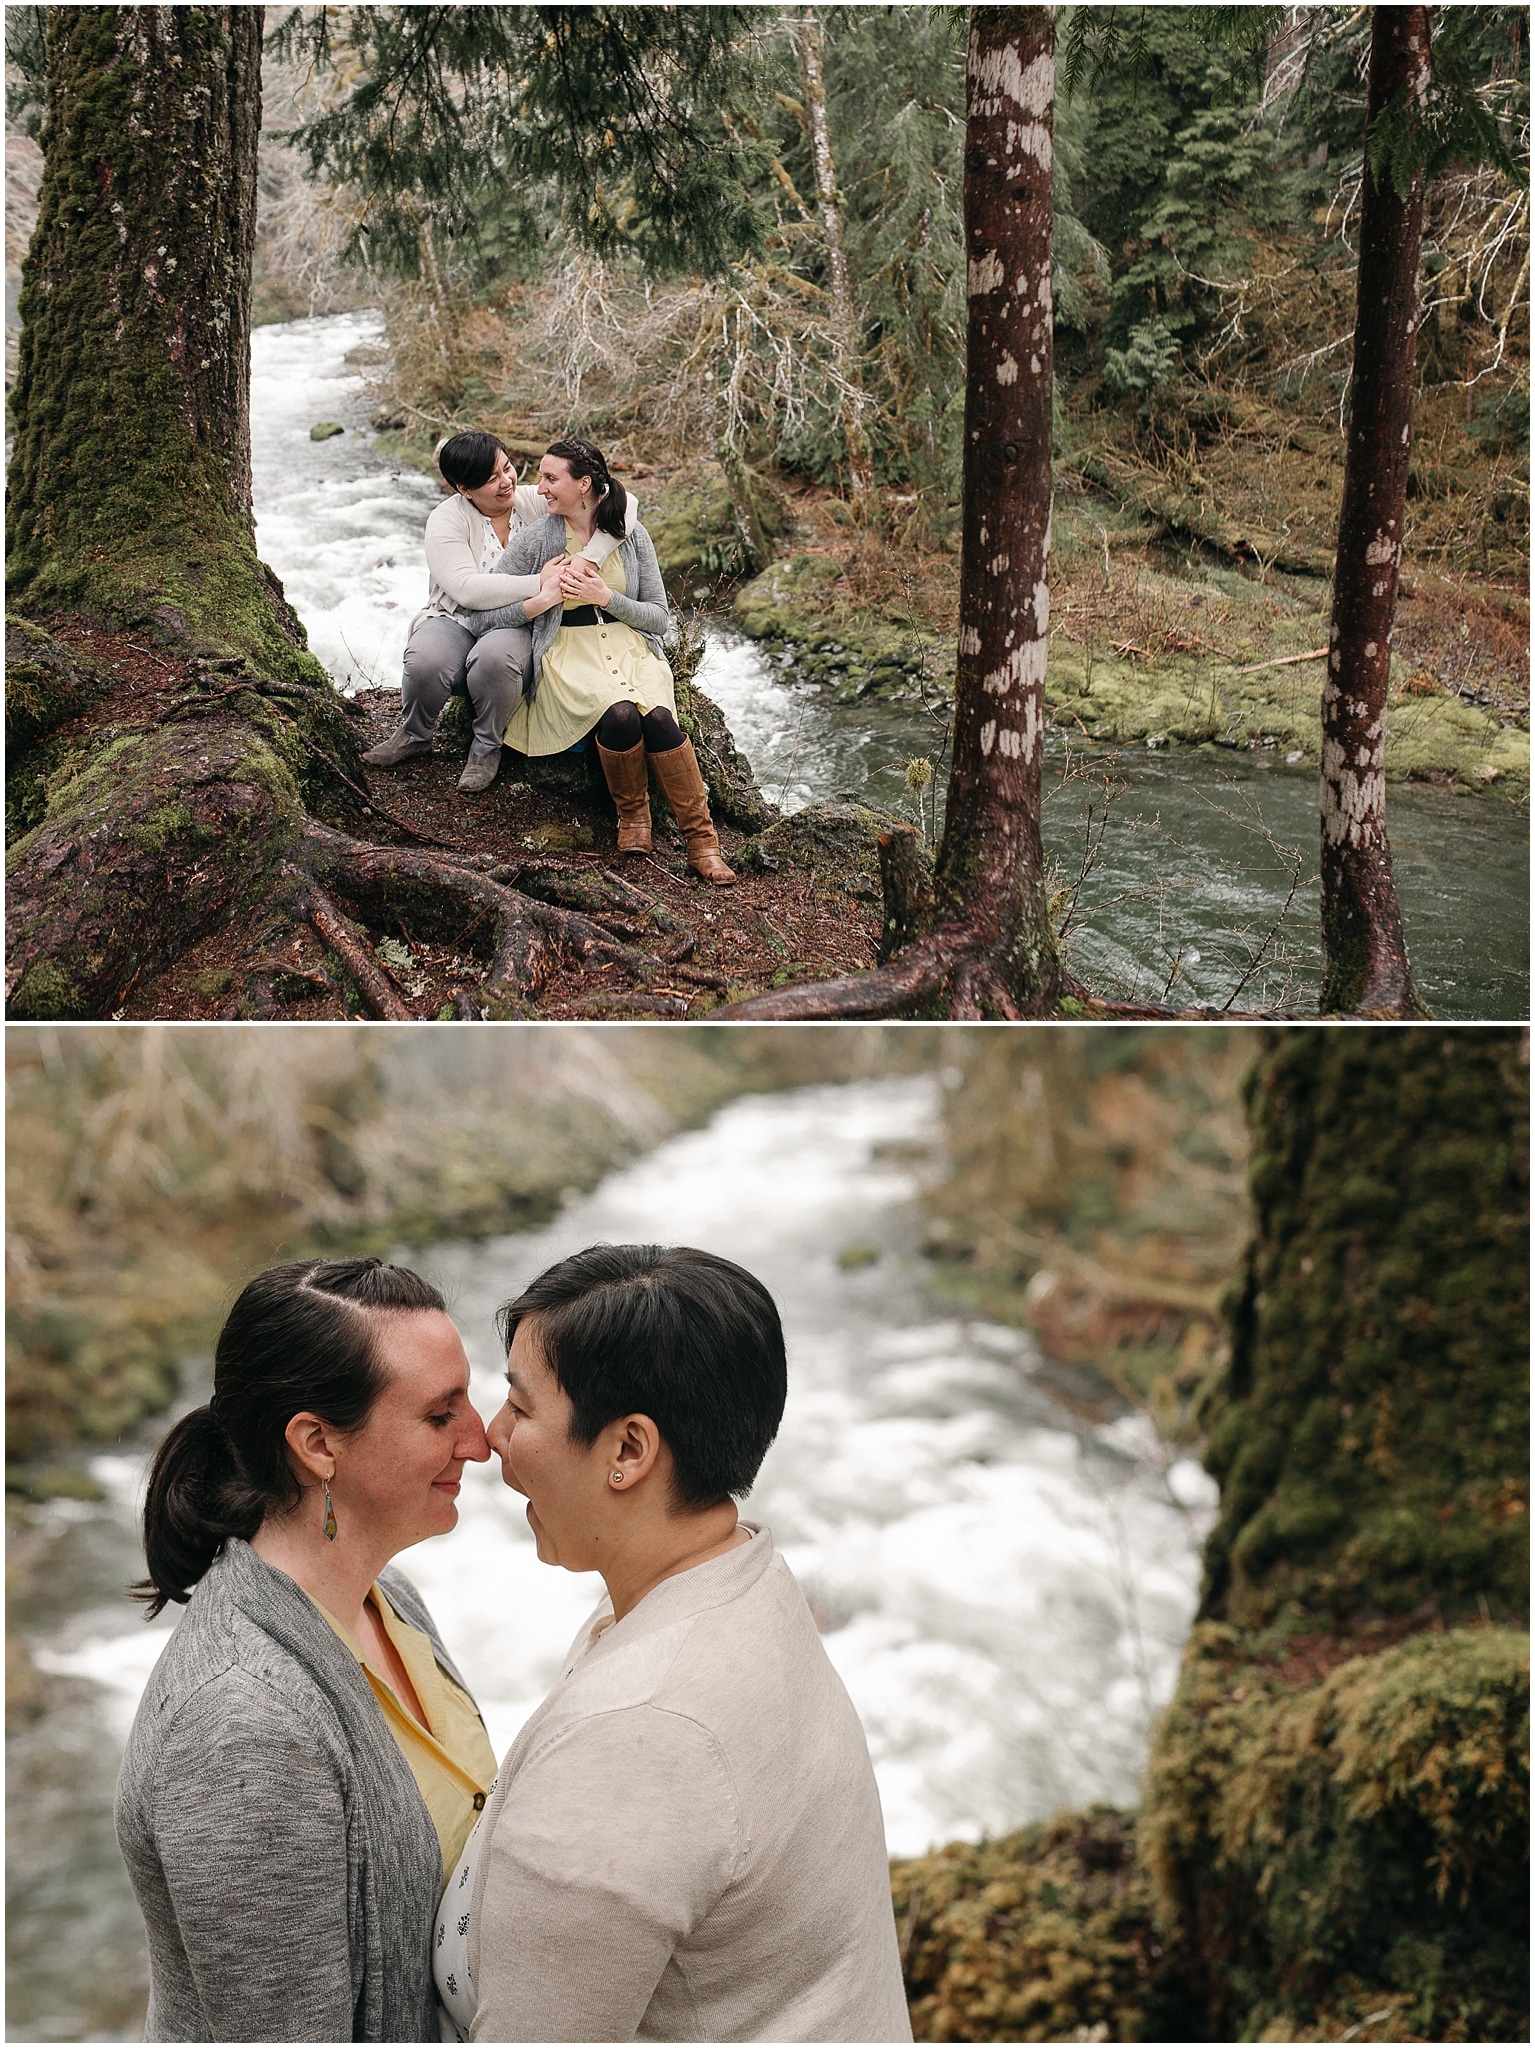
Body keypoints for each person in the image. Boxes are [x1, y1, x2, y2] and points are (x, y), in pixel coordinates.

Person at [434, 1243, 912, 2042]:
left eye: (519, 1407)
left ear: (628, 1450)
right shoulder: (747, 1582)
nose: (489, 1437)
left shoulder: (639, 1735)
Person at [115, 1258, 496, 2043]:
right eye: (439, 1416)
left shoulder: (393, 1603)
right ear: (318, 1444)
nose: (480, 1442)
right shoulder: (239, 1727)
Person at [459, 438, 736, 885]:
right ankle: (634, 820)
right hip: (568, 653)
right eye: (542, 478)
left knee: (662, 720)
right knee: (620, 714)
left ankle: (703, 844)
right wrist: (539, 600)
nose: (540, 488)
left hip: (630, 647)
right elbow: (480, 617)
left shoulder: (631, 535)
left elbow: (660, 619)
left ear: (584, 484)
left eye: (551, 479)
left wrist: (606, 597)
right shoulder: (536, 539)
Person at [363, 431, 637, 794]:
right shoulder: (446, 520)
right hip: (456, 616)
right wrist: (539, 582)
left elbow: (625, 502)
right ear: (464, 488)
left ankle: (486, 746)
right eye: (492, 479)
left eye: (507, 468)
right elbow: (466, 589)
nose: (507, 481)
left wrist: (589, 558)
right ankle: (415, 733)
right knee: (426, 658)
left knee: (495, 657)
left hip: (519, 618)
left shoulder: (531, 501)